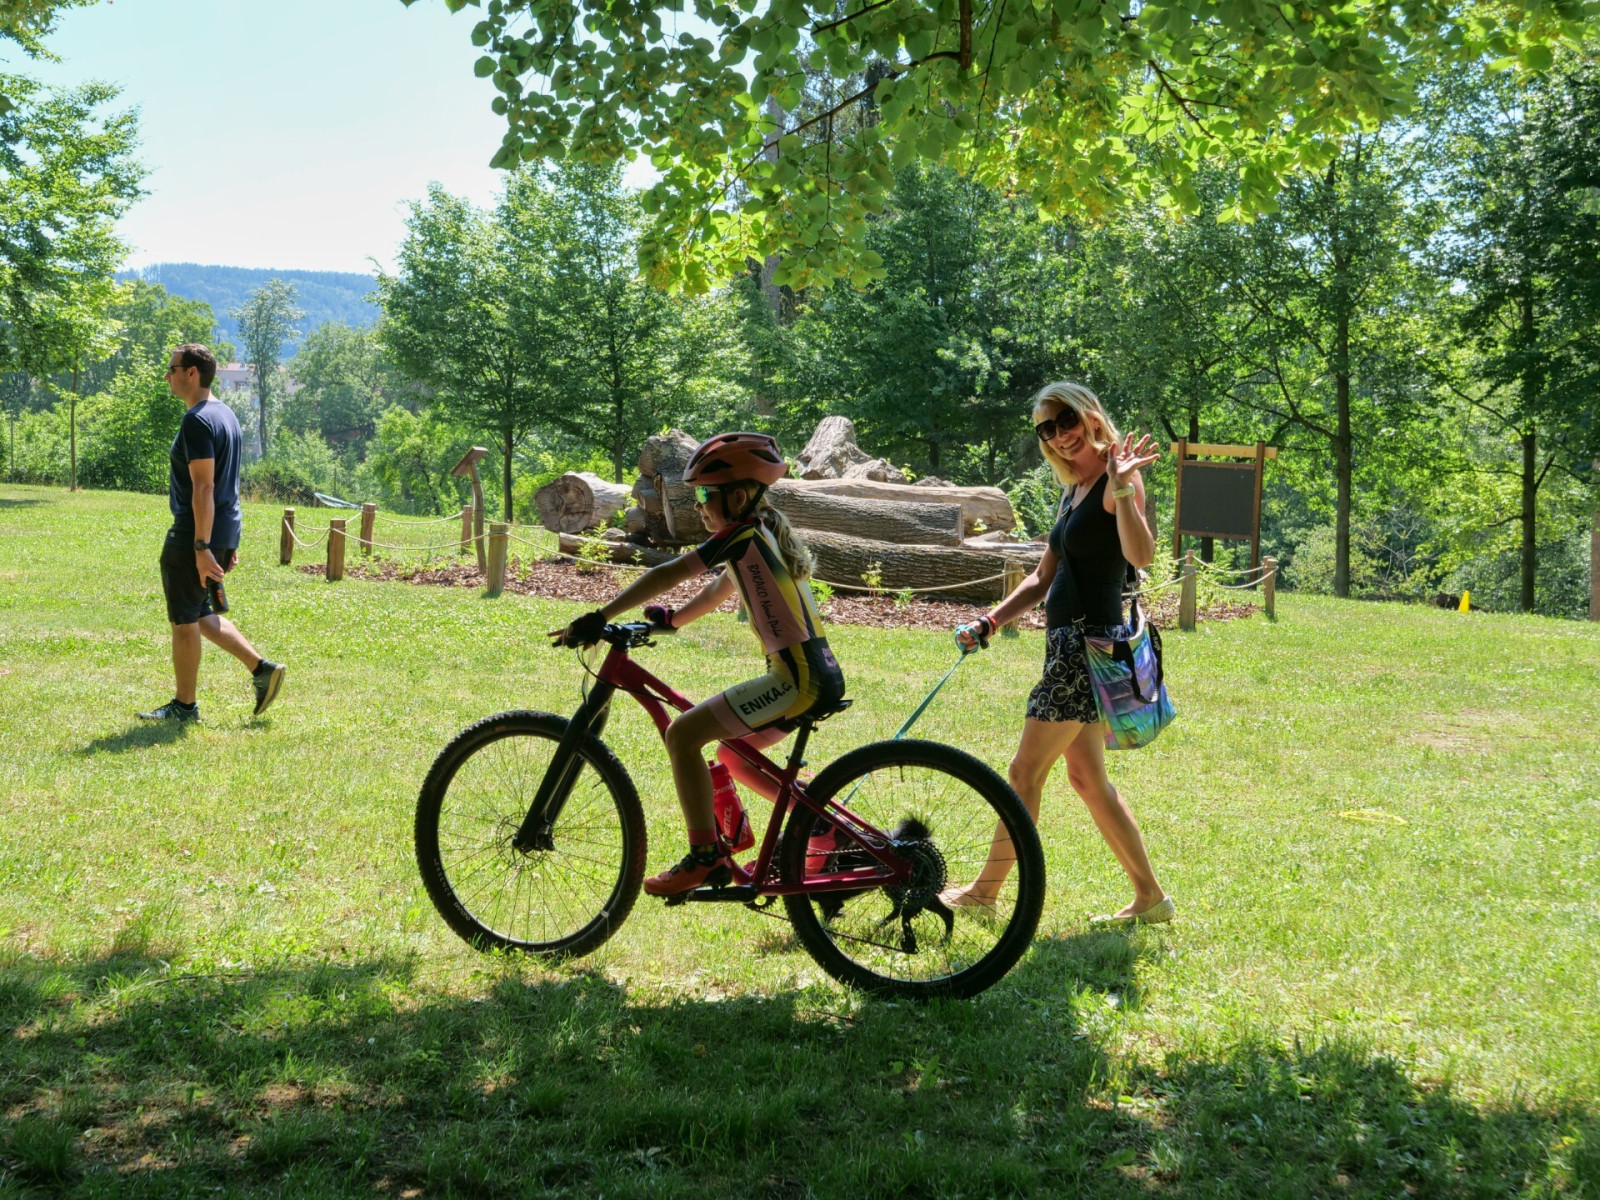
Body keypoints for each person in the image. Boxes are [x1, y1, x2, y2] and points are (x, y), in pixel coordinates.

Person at [551, 432, 845, 897]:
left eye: (706, 495)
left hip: (797, 679)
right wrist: (671, 621)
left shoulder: (743, 534)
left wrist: (600, 616)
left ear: (739, 498)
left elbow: (670, 572)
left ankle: (706, 857)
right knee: (733, 755)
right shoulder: (759, 535)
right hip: (812, 673)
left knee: (683, 735)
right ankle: (823, 828)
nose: (699, 505)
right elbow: (716, 591)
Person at [948, 381, 1172, 926]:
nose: (1058, 435)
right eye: (1046, 429)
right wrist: (990, 621)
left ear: (1089, 415)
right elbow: (1043, 576)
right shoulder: (1073, 489)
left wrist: (1123, 488)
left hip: (1086, 647)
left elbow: (1140, 555)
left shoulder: (1118, 478)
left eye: (1065, 420)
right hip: (1069, 645)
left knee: (1024, 771)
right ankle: (1150, 898)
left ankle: (984, 892)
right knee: (1087, 779)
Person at [138, 344, 285, 722]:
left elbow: (205, 487)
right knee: (200, 611)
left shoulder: (197, 420)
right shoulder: (226, 415)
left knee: (184, 620)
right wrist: (226, 542)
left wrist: (202, 546)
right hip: (220, 530)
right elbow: (230, 484)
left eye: (172, 369)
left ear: (192, 373)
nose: (167, 376)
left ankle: (185, 707)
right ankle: (262, 670)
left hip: (195, 532)